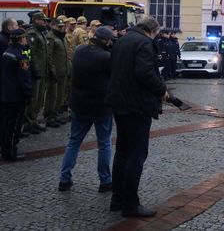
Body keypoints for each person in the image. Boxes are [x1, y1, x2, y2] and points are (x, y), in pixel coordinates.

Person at [106, 16, 168, 218]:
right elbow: (145, 73)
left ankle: (117, 198)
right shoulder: (144, 43)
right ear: (151, 31)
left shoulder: (122, 40)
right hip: (137, 105)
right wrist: (161, 90)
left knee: (122, 151)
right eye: (156, 34)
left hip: (119, 102)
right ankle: (130, 204)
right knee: (136, 154)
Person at [58, 26, 115, 192]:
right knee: (104, 144)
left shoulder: (79, 51)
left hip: (79, 104)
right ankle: (105, 180)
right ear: (106, 41)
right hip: (101, 106)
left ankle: (64, 178)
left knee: (73, 142)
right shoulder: (106, 57)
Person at [0, 29, 33, 161]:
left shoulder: (7, 51)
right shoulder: (21, 55)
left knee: (7, 122)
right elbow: (24, 77)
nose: (26, 40)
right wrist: (28, 93)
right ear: (21, 39)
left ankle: (5, 148)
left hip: (7, 92)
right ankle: (11, 151)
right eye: (25, 38)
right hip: (17, 95)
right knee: (15, 125)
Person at [0, 18, 18, 154]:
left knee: (3, 115)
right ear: (10, 27)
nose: (17, 27)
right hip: (0, 85)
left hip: (5, 84)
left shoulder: (6, 40)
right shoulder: (1, 42)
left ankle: (1, 139)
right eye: (16, 25)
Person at [24, 12, 50, 134]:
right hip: (36, 71)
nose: (45, 22)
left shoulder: (41, 33)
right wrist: (35, 69)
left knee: (40, 99)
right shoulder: (32, 33)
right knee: (34, 98)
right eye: (42, 20)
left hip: (42, 71)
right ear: (35, 20)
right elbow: (32, 54)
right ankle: (28, 122)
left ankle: (33, 121)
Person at [45, 17, 69, 128]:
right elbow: (48, 56)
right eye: (59, 27)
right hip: (55, 72)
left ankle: (55, 115)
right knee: (52, 96)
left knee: (60, 96)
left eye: (62, 26)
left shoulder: (62, 37)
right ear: (53, 26)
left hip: (63, 71)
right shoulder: (50, 37)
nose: (61, 28)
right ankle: (49, 117)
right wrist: (52, 70)